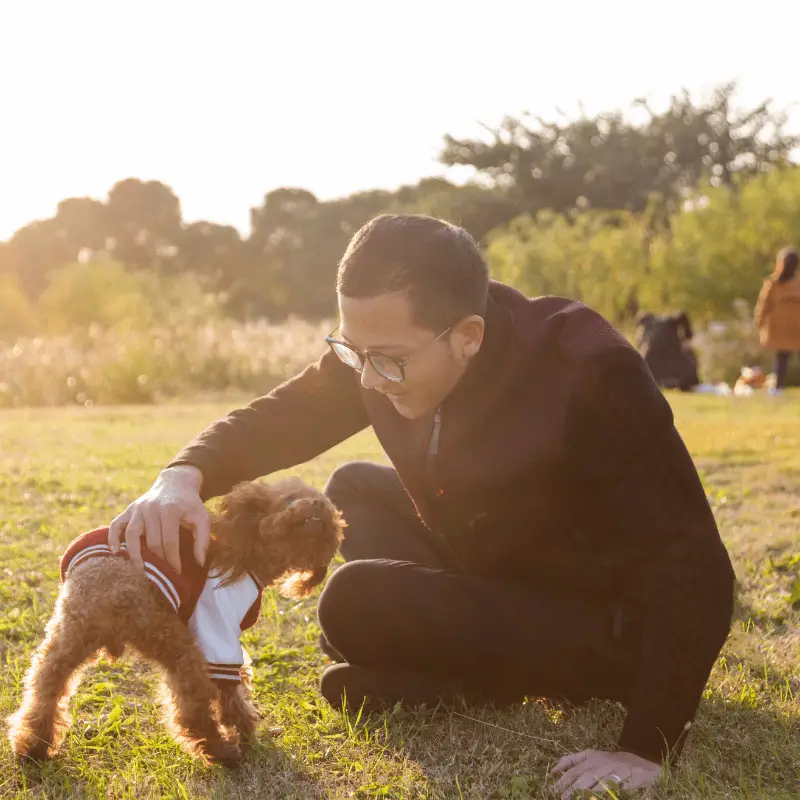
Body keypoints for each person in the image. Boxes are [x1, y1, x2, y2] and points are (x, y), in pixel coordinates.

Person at [109, 215, 735, 797]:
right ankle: (454, 669)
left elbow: (694, 566)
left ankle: (468, 667)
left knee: (351, 601)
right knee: (353, 486)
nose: (367, 380)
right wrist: (180, 477)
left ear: (468, 336)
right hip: (499, 559)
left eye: (388, 362)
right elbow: (289, 412)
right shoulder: (384, 350)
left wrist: (647, 745)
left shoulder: (592, 375)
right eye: (351, 351)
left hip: (598, 620)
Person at [754, 246, 800, 392]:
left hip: (780, 329)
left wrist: (759, 323)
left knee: (782, 359)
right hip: (796, 327)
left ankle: (777, 388)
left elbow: (763, 306)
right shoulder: (797, 283)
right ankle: (777, 387)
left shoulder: (772, 284)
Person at [635, 310, 700, 392]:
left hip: (655, 377)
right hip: (679, 376)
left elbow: (643, 350)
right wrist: (687, 338)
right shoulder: (669, 322)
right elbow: (682, 315)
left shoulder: (649, 327)